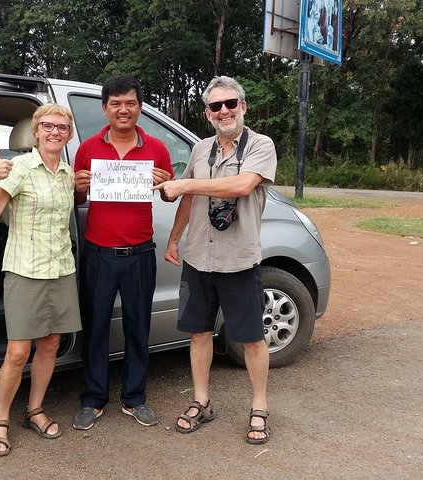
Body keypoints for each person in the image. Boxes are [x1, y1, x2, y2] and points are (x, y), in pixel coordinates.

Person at [152, 76, 277, 444]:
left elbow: (241, 186)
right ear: (207, 113)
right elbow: (187, 200)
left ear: (243, 106)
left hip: (238, 259)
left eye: (230, 104)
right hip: (197, 257)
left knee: (252, 339)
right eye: (216, 106)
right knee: (199, 332)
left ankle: (259, 407)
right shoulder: (201, 149)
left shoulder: (261, 145)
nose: (224, 111)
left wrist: (185, 184)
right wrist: (175, 238)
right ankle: (201, 401)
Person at [0, 104, 82, 456]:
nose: (55, 132)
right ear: (36, 131)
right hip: (24, 270)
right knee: (18, 351)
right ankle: (0, 419)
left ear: (68, 135)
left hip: (60, 269)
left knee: (51, 344)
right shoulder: (19, 168)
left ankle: (34, 409)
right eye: (48, 126)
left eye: (62, 128)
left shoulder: (67, 174)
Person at [72, 74, 174, 430]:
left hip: (140, 253)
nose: (123, 109)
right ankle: (93, 399)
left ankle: (134, 398)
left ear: (140, 108)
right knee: (96, 328)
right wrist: (78, 188)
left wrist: (166, 185)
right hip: (98, 254)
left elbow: (169, 196)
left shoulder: (157, 149)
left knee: (137, 327)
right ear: (104, 109)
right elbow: (78, 199)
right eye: (115, 103)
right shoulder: (87, 149)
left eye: (130, 103)